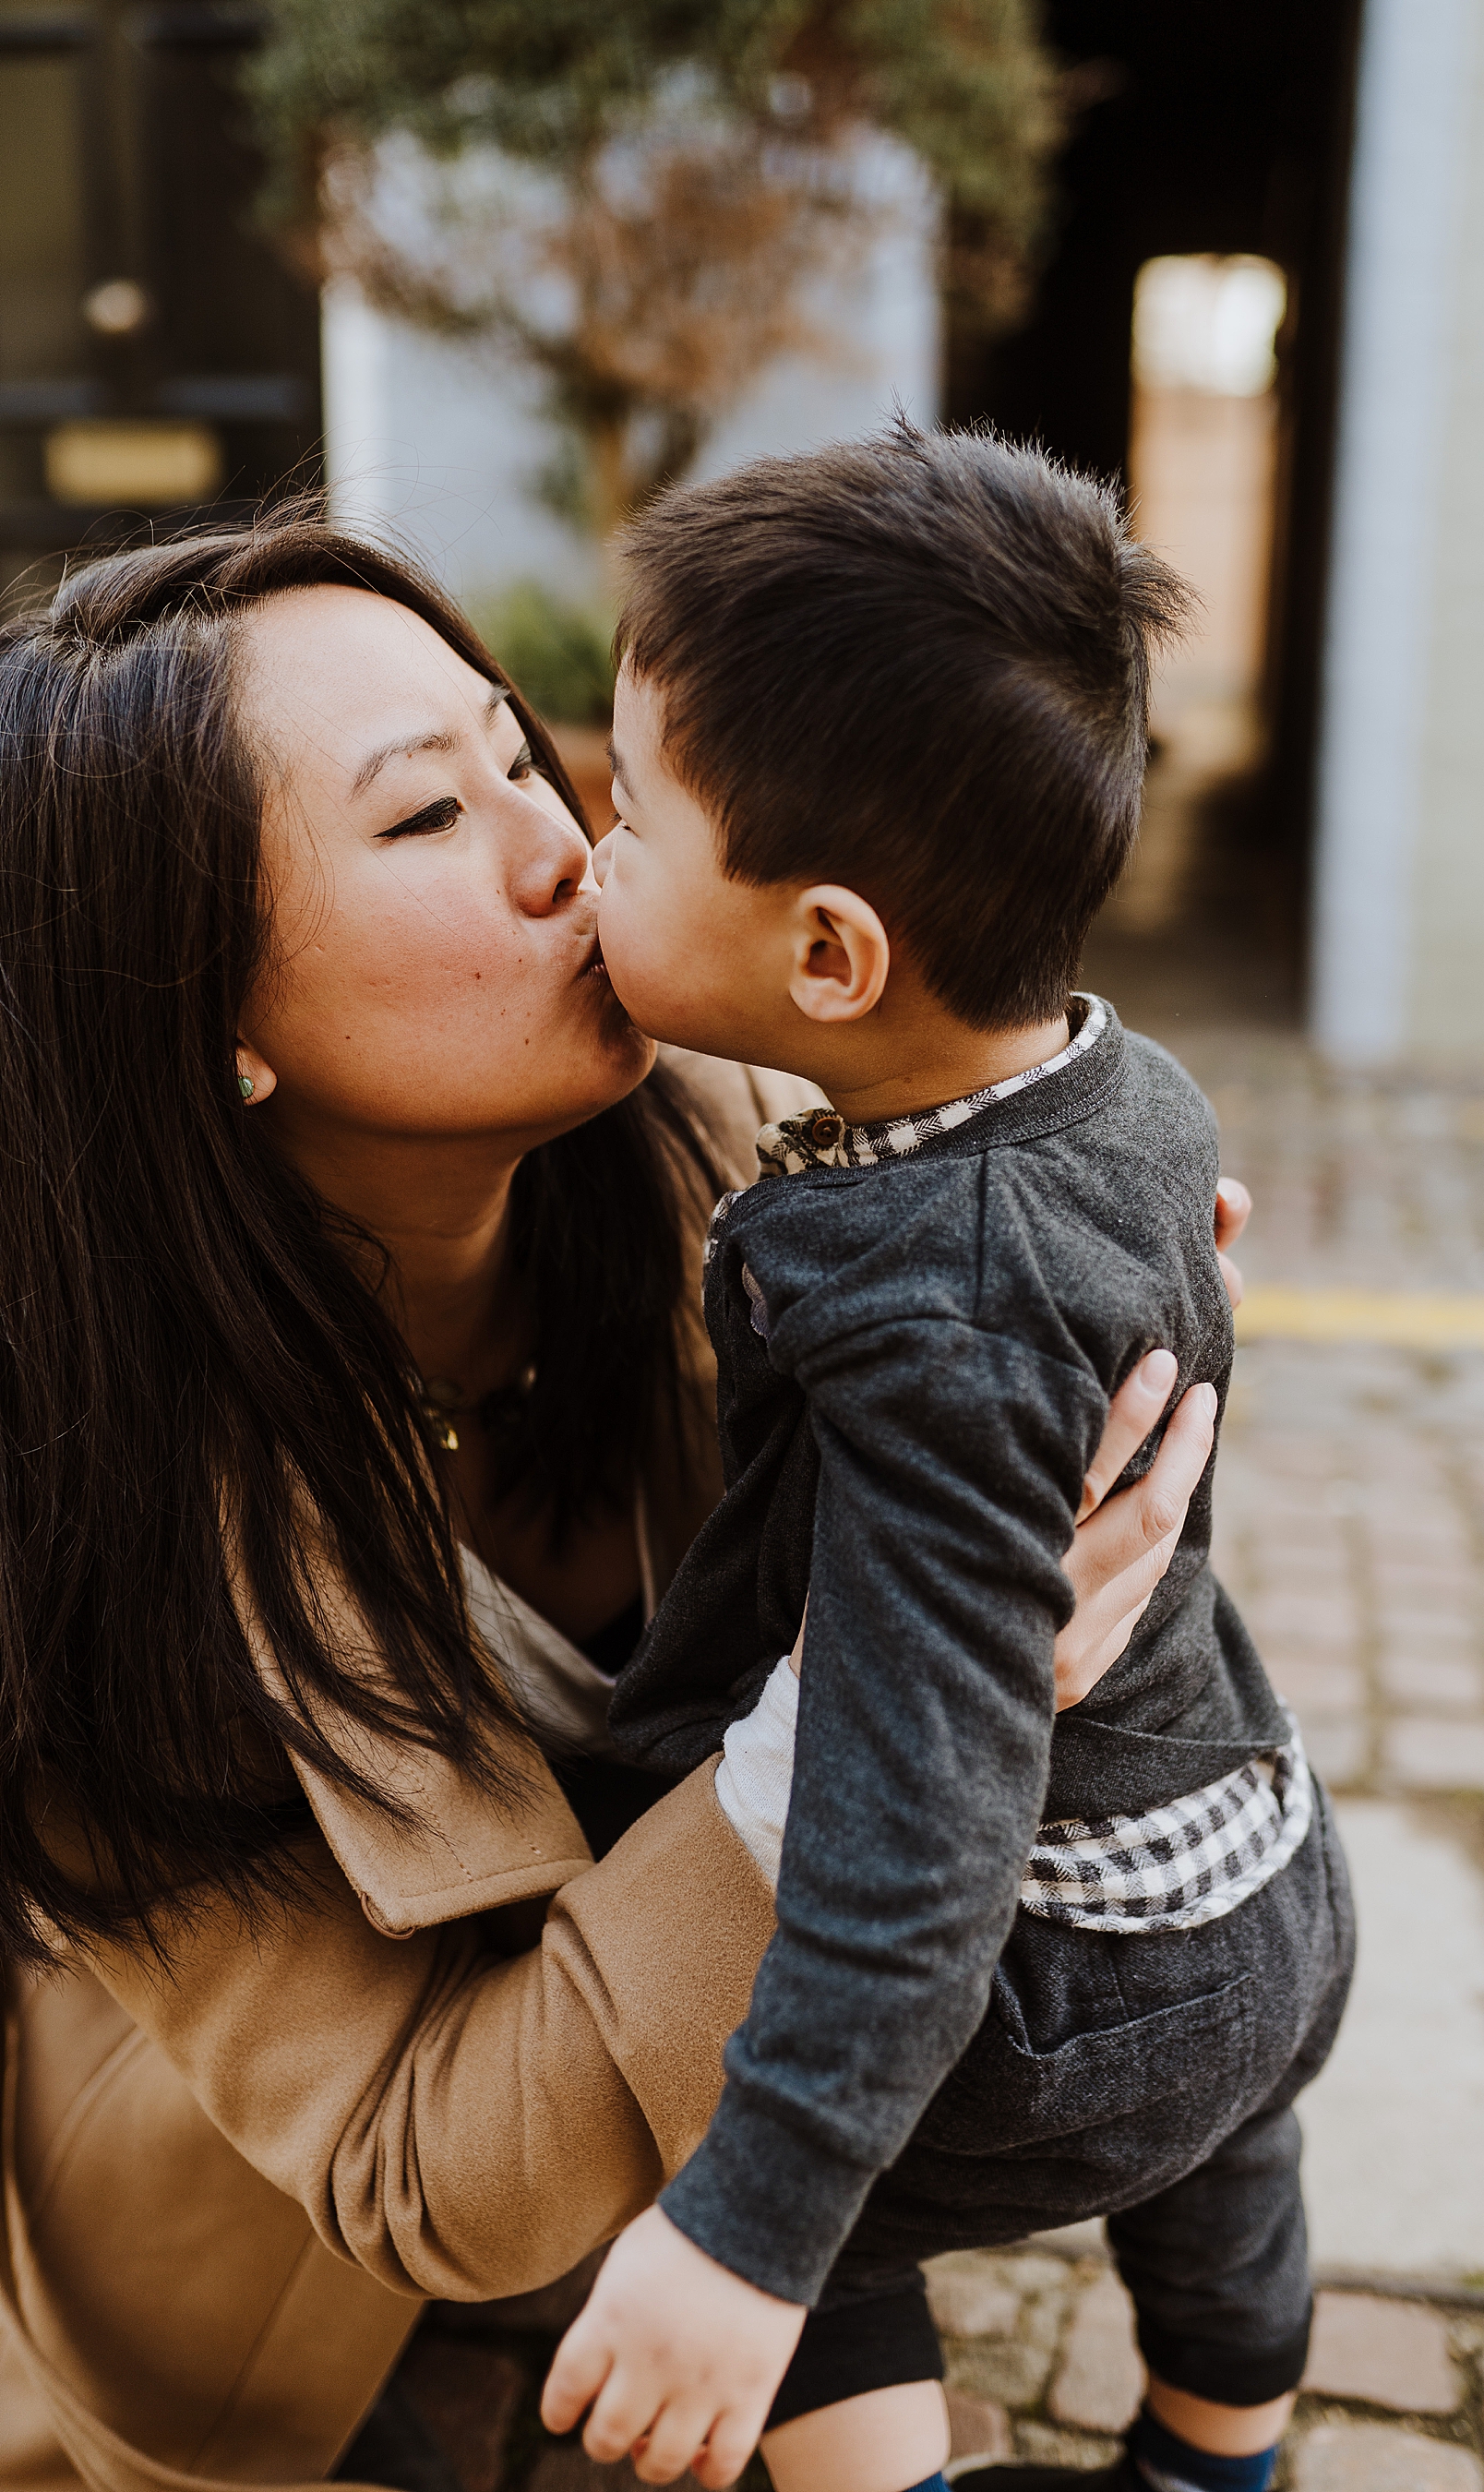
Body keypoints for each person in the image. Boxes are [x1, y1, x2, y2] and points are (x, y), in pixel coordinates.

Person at [0, 510, 1238, 2492]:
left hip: (694, 2083)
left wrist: (1092, 1288)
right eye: (423, 821)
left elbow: (1014, 1113)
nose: (561, 847)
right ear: (199, 1021)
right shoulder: (74, 1514)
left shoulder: (738, 1138)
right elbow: (428, 2173)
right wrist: (880, 1708)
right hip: (299, 2278)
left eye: (520, 749)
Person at [542, 427, 1355, 2492]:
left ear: (827, 959)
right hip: (1256, 1867)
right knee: (1224, 2158)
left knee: (790, 2192)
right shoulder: (1124, 1084)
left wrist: (746, 2229)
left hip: (1052, 1989)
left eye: (630, 818)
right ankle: (1217, 2450)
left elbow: (923, 1824)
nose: (585, 848)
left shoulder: (935, 1316)